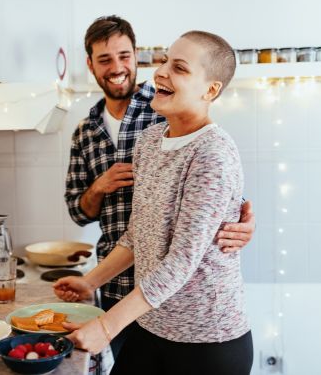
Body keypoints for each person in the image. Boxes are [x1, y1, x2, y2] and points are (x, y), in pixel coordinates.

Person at [55, 30, 253, 374]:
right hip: (152, 326)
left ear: (210, 90)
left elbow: (181, 260)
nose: (161, 72)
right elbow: (136, 235)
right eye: (164, 61)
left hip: (207, 342)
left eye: (179, 67)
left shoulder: (213, 153)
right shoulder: (148, 142)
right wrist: (91, 282)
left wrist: (106, 327)